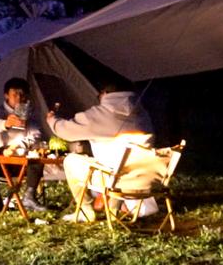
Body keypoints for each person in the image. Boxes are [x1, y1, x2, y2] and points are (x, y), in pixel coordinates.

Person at [46, 82, 155, 223]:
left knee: (71, 160)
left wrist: (53, 121)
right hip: (144, 178)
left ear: (105, 94)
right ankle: (114, 210)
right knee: (119, 163)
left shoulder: (101, 114)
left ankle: (86, 211)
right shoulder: (142, 114)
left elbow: (66, 131)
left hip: (116, 180)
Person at [0, 77, 47, 215]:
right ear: (6, 95)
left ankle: (29, 197)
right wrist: (5, 124)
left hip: (21, 160)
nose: (19, 98)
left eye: (22, 94)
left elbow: (36, 134)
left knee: (38, 151)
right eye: (15, 94)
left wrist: (18, 145)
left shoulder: (30, 112)